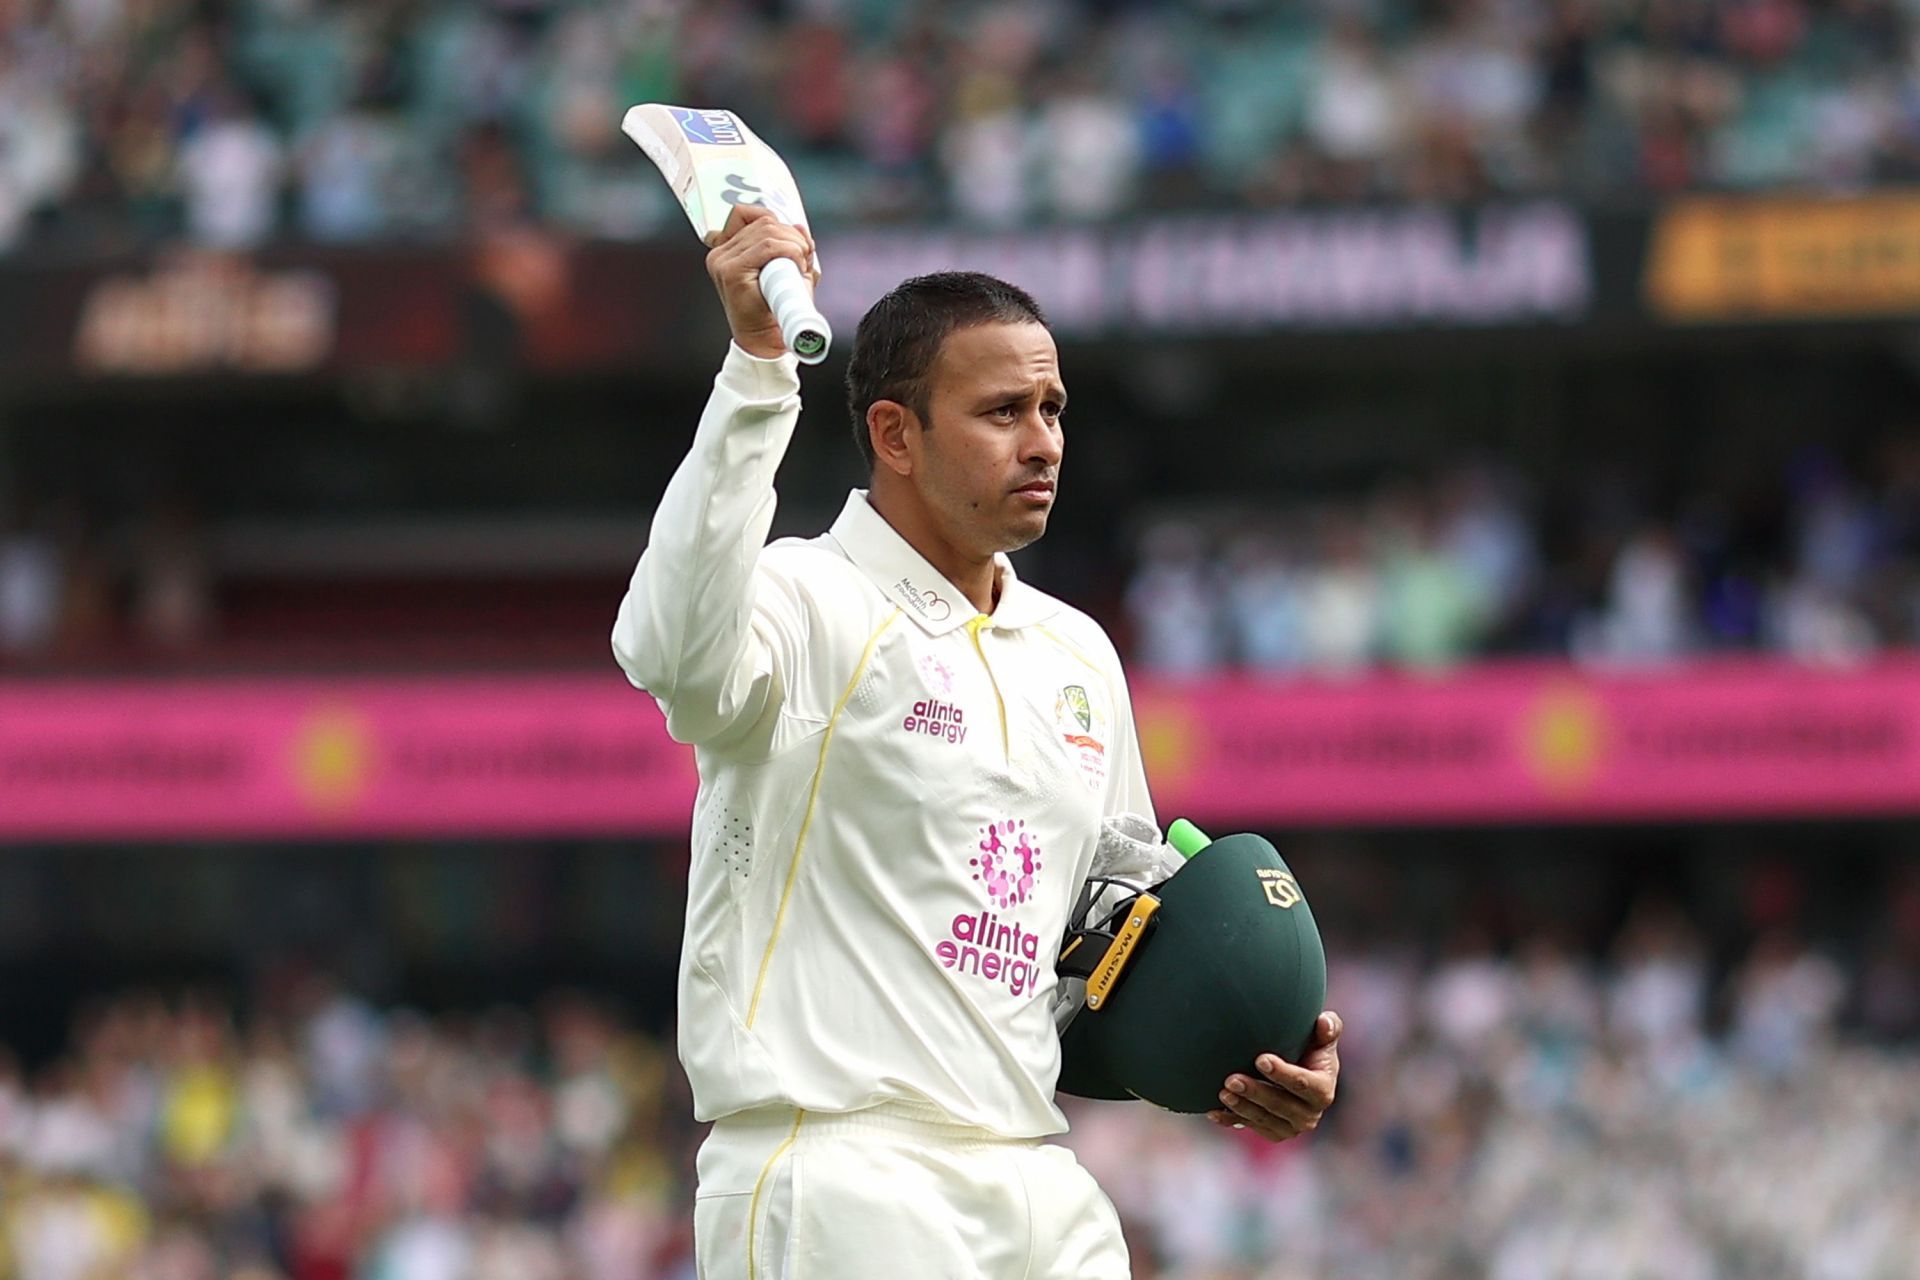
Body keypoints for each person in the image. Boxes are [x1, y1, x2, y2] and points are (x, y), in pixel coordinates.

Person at [612, 203, 1343, 1279]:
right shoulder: (808, 595)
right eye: (1002, 410)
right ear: (896, 435)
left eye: (1051, 406)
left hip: (1038, 1173)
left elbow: (1119, 925)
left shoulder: (1076, 650)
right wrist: (757, 372)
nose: (1043, 439)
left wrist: (1260, 1050)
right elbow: (667, 649)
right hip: (841, 1166)